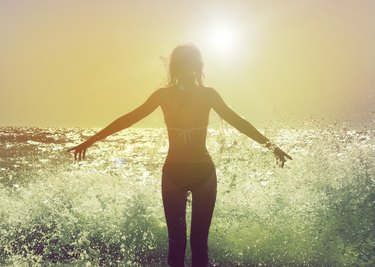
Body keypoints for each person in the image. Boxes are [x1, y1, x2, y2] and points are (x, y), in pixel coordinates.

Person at [68, 43, 292, 267]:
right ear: (180, 67)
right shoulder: (164, 96)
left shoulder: (207, 95)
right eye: (184, 64)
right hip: (176, 174)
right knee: (177, 245)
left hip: (200, 173)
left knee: (198, 245)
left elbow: (238, 122)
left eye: (190, 64)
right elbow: (129, 119)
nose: (188, 68)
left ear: (195, 66)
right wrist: (91, 139)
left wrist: (272, 146)